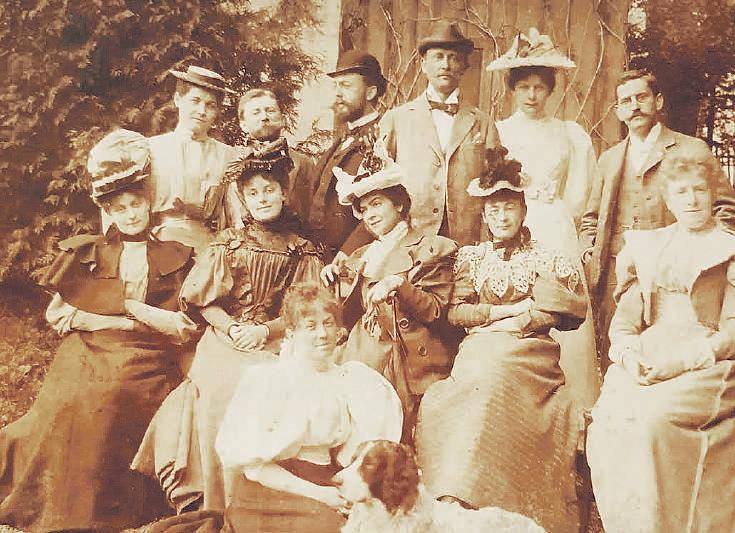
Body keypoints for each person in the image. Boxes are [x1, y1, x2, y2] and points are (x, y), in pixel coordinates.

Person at [0, 130, 198, 531]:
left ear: (149, 203)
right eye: (121, 208)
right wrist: (106, 319)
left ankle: (111, 505)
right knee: (74, 398)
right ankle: (63, 499)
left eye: (136, 204)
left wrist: (130, 313)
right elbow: (61, 316)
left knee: (116, 393)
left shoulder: (173, 254)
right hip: (90, 345)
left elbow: (181, 328)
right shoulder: (91, 251)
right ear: (109, 212)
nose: (131, 214)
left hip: (146, 352)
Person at [132, 147, 324, 512]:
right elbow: (203, 302)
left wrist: (264, 331)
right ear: (243, 199)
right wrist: (234, 328)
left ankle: (260, 499)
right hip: (225, 335)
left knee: (270, 383)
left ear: (283, 194)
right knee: (222, 388)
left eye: (269, 190)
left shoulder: (302, 250)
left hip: (278, 337)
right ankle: (217, 499)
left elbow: (305, 308)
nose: (262, 198)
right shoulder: (229, 242)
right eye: (253, 193)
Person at [415, 147, 587, 532]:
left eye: (509, 207)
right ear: (484, 215)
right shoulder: (472, 259)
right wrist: (497, 316)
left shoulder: (544, 257)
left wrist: (517, 323)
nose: (502, 217)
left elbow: (561, 312)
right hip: (479, 348)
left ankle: (489, 497)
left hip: (528, 353)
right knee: (449, 399)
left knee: (494, 380)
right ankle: (453, 493)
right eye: (493, 210)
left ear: (523, 210)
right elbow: (457, 312)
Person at [586, 143, 735, 533]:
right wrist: (628, 355)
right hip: (650, 352)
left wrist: (680, 362)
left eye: (699, 190)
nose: (692, 200)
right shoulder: (649, 246)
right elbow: (624, 324)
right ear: (668, 199)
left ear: (713, 194)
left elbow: (732, 332)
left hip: (707, 359)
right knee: (608, 422)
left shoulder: (728, 248)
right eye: (681, 191)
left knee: (653, 421)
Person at [214, 282, 403, 533]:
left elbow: (355, 456)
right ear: (291, 333)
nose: (322, 334)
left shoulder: (351, 380)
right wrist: (320, 495)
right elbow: (255, 468)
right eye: (310, 326)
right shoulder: (268, 381)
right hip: (269, 491)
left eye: (328, 323)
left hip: (327, 482)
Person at [580, 69, 735, 368]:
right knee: (620, 349)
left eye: (642, 97)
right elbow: (591, 218)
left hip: (673, 270)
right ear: (618, 111)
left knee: (675, 354)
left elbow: (726, 208)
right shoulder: (610, 158)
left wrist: (707, 250)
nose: (635, 106)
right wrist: (590, 253)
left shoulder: (692, 149)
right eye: (626, 101)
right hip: (618, 269)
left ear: (658, 101)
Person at [486, 27, 601, 419]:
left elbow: (580, 193)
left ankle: (573, 409)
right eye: (524, 87)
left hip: (554, 226)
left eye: (539, 87)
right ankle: (520, 410)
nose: (532, 95)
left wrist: (560, 215)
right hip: (510, 225)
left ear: (551, 90)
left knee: (560, 309)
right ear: (512, 90)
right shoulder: (499, 132)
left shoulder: (570, 134)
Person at [320, 141, 458, 443]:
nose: (369, 215)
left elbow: (435, 310)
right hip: (359, 347)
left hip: (403, 354)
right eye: (364, 209)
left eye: (377, 204)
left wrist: (399, 285)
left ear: (398, 204)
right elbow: (344, 315)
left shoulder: (430, 247)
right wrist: (332, 283)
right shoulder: (361, 256)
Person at [379, 20, 500, 245]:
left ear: (464, 67)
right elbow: (380, 185)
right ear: (423, 64)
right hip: (410, 239)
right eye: (438, 57)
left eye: (453, 58)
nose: (445, 64)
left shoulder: (482, 123)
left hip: (466, 239)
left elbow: (494, 188)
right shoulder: (396, 119)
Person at [147, 65, 237, 252]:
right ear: (178, 99)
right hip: (159, 244)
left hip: (209, 247)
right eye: (195, 101)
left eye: (210, 105)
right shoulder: (152, 148)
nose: (202, 111)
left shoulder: (228, 156)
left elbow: (234, 214)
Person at [308, 50, 387, 259]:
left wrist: (348, 252)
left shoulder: (384, 136)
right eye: (335, 86)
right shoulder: (342, 138)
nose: (337, 93)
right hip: (322, 258)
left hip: (356, 258)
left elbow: (383, 206)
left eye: (346, 85)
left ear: (370, 92)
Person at [235, 88, 315, 224]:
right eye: (256, 112)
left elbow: (312, 213)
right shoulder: (232, 164)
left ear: (283, 120)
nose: (264, 117)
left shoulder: (303, 163)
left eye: (270, 111)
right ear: (243, 125)